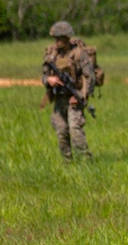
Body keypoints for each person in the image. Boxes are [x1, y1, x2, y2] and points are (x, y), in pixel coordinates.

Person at [41, 21, 96, 162]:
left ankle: (85, 160)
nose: (56, 42)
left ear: (67, 38)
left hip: (74, 98)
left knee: (75, 129)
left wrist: (81, 96)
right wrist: (49, 80)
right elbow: (44, 75)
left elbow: (89, 77)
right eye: (55, 38)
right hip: (59, 98)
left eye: (59, 38)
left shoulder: (78, 54)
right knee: (61, 131)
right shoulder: (51, 55)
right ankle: (67, 162)